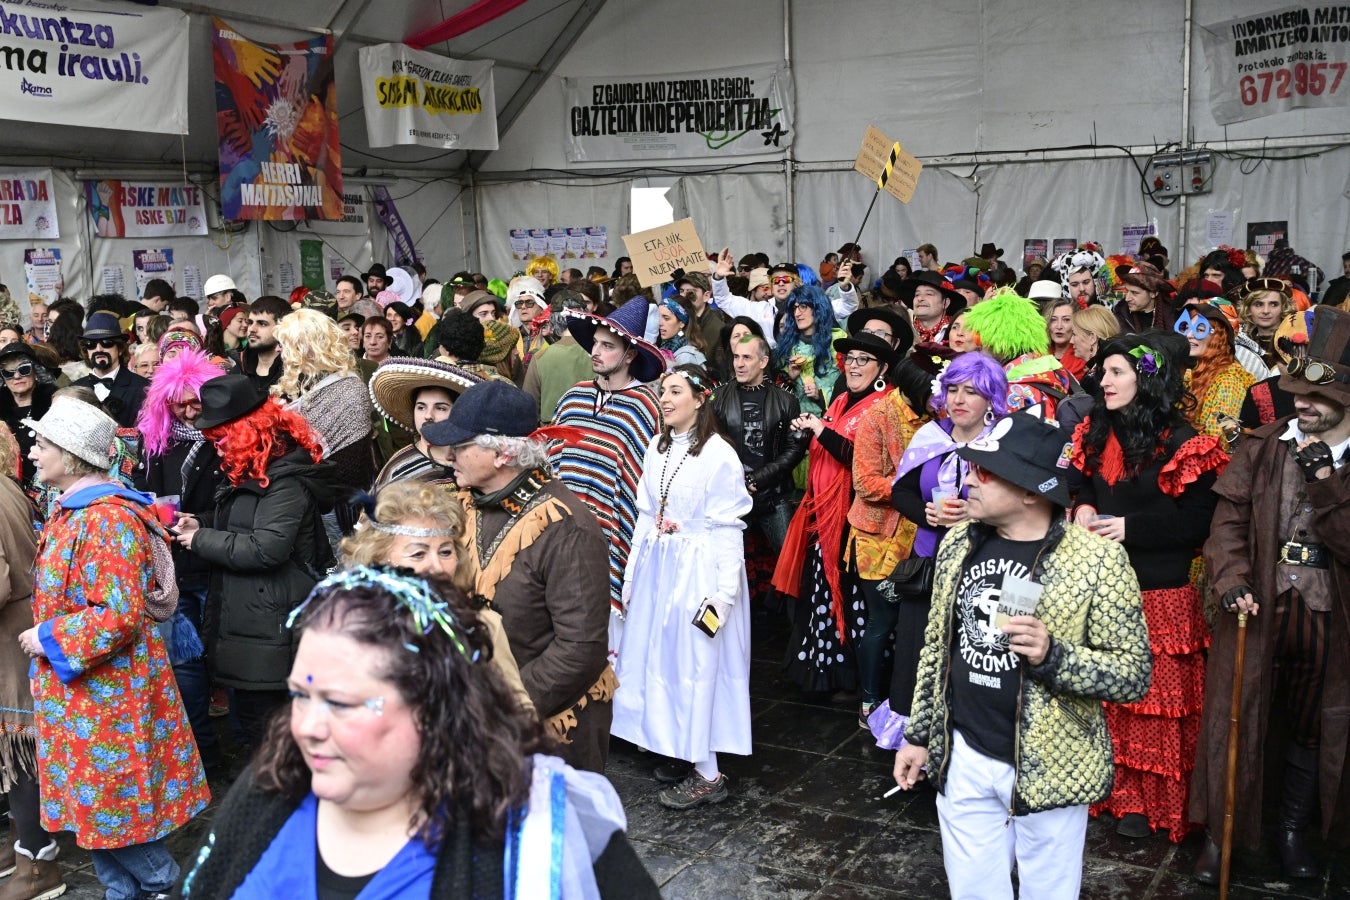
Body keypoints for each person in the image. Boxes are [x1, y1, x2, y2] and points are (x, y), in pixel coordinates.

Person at [178, 567, 658, 898]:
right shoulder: (270, 786)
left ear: (434, 710)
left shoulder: (538, 840)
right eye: (300, 696)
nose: (306, 728)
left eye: (340, 703)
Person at [893, 412, 1152, 900]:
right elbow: (937, 648)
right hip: (963, 754)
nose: (969, 478)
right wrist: (920, 735)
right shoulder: (958, 542)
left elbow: (1132, 674)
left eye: (985, 471)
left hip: (1052, 763)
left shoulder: (1097, 560)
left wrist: (1054, 655)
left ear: (1031, 491)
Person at [22, 396, 209, 900]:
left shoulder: (105, 519)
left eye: (42, 444)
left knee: (110, 808)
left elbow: (118, 614)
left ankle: (166, 887)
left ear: (71, 454)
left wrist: (46, 637)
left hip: (109, 695)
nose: (32, 452)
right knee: (98, 811)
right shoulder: (74, 510)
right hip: (85, 693)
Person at [1190, 304, 1350, 884]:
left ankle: (1291, 831)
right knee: (1238, 717)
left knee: (1313, 726)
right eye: (1298, 392)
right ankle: (1223, 834)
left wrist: (1326, 482)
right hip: (1258, 605)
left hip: (1329, 617)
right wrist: (1231, 577)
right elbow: (1228, 522)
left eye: (1317, 397)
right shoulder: (1264, 444)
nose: (1301, 403)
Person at [1069, 333, 1226, 841]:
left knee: (1151, 704)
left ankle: (1147, 804)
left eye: (1117, 372)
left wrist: (1130, 528)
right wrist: (1083, 506)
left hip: (1160, 591)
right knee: (1107, 700)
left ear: (1148, 380)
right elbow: (1079, 482)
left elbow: (1199, 522)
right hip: (1104, 586)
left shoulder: (1183, 442)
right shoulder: (1095, 429)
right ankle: (1108, 792)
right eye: (1104, 372)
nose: (1104, 381)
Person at [425, 381, 614, 774]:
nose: (449, 455)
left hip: (548, 732)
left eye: (461, 445)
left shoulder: (568, 528)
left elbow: (581, 648)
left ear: (502, 454)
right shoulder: (466, 504)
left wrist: (501, 703)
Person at [612, 364, 753, 808]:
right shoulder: (657, 446)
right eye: (663, 391)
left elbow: (727, 528)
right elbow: (645, 515)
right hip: (660, 568)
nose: (665, 399)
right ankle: (681, 746)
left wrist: (723, 595)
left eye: (675, 391)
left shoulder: (719, 455)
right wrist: (632, 575)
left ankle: (709, 775)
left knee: (697, 665)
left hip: (700, 571)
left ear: (699, 398)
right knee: (665, 661)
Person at [173, 375, 336, 747]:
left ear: (247, 432)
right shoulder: (255, 468)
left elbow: (266, 547)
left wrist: (200, 539)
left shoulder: (284, 480)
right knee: (256, 730)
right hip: (255, 622)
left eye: (221, 439)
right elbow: (243, 521)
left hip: (272, 625)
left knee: (269, 736)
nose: (218, 449)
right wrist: (203, 523)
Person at [870, 352, 1010, 751]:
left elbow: (1025, 506)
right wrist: (926, 513)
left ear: (991, 398)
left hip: (984, 567)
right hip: (929, 564)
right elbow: (901, 491)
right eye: (952, 390)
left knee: (974, 654)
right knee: (918, 652)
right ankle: (918, 741)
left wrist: (976, 513)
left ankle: (967, 743)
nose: (958, 399)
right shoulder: (930, 436)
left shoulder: (1004, 441)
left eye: (971, 392)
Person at [773, 332, 897, 695]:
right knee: (823, 594)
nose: (853, 366)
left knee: (853, 598)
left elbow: (862, 460)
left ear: (882, 369)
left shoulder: (884, 406)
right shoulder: (841, 399)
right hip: (824, 513)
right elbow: (827, 444)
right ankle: (828, 670)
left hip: (858, 521)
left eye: (863, 360)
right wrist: (807, 430)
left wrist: (820, 430)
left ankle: (856, 678)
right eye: (850, 358)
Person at [341, 481, 531, 713]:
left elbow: (519, 712)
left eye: (445, 552)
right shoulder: (351, 630)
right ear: (378, 559)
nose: (437, 566)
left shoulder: (481, 626)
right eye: (418, 554)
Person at [135, 349, 231, 771]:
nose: (190, 412)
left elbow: (239, 504)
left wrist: (203, 521)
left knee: (226, 658)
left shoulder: (227, 439)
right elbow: (146, 493)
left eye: (197, 402)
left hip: (217, 562)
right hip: (173, 568)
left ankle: (243, 743)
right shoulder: (156, 441)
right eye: (181, 404)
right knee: (185, 664)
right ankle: (203, 754)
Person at [551, 302, 664, 656]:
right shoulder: (574, 397)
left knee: (609, 641)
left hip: (611, 533)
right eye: (595, 344)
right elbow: (550, 461)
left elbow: (648, 481)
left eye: (607, 346)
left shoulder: (645, 406)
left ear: (630, 355)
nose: (596, 352)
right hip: (563, 530)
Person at [0, 424, 65, 900]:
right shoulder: (7, 485)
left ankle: (38, 862)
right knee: (18, 743)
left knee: (17, 744)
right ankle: (20, 845)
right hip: (20, 623)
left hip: (9, 632)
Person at [848, 322, 922, 728]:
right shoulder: (878, 416)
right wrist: (916, 489)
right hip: (878, 535)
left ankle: (904, 699)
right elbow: (865, 483)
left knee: (911, 623)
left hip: (920, 534)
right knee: (883, 621)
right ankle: (868, 701)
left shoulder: (934, 416)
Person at [709, 332, 804, 589]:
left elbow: (794, 450)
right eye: (736, 357)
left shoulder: (786, 400)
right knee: (725, 570)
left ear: (763, 362)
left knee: (791, 571)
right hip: (731, 496)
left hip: (774, 495)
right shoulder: (718, 398)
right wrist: (737, 481)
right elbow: (710, 447)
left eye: (747, 358)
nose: (739, 364)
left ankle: (789, 615)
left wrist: (757, 479)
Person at [274, 309, 375, 538]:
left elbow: (347, 461)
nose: (279, 349)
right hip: (307, 497)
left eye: (284, 343)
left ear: (305, 346)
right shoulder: (299, 384)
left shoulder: (349, 388)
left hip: (339, 504)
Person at [368, 357, 481, 490]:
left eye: (440, 408)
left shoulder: (478, 461)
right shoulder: (400, 469)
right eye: (421, 407)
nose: (428, 416)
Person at [1176, 304, 1257, 444]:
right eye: (1186, 327)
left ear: (1217, 338)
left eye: (1200, 330)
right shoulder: (1191, 374)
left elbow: (1220, 441)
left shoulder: (1229, 382)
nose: (1189, 335)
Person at [773, 285, 842, 418]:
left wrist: (820, 395)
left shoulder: (838, 342)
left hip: (830, 420)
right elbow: (778, 395)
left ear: (818, 307)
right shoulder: (787, 345)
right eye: (794, 308)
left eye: (803, 306)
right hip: (797, 421)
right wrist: (790, 379)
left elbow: (850, 388)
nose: (797, 314)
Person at [72, 310, 148, 428]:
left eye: (106, 343)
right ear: (86, 350)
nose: (99, 349)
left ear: (120, 348)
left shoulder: (144, 388)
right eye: (91, 344)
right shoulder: (74, 389)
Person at [521, 298, 592, 422]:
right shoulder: (597, 353)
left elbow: (528, 406)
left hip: (552, 428)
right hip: (591, 427)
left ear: (553, 321)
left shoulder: (540, 356)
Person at [0, 342, 54, 485]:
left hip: (48, 487)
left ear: (36, 371)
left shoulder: (55, 406)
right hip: (8, 490)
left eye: (24, 369)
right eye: (8, 373)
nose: (17, 376)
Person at [1235, 276, 1295, 373]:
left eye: (1274, 304)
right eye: (1258, 304)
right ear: (1248, 309)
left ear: (1284, 308)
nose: (1266, 311)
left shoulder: (1297, 342)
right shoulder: (1239, 342)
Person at [232, 296, 290, 396]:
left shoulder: (294, 371)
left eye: (262, 324)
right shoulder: (238, 366)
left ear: (281, 329)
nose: (252, 329)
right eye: (250, 322)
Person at [899, 271, 964, 345]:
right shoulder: (904, 332)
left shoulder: (957, 333)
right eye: (917, 294)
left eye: (929, 294)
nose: (920, 298)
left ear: (945, 303)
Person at [1113, 260, 1178, 334]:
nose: (1127, 298)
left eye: (1135, 293)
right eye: (1127, 291)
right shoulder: (1120, 314)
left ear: (1153, 293)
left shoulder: (1172, 316)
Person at [655, 294, 706, 366]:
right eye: (658, 317)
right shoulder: (665, 345)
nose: (660, 323)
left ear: (682, 323)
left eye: (666, 318)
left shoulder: (686, 357)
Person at [1043, 296, 1086, 380]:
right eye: (1053, 320)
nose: (1059, 326)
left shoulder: (1084, 358)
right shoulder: (1037, 355)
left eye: (1066, 320)